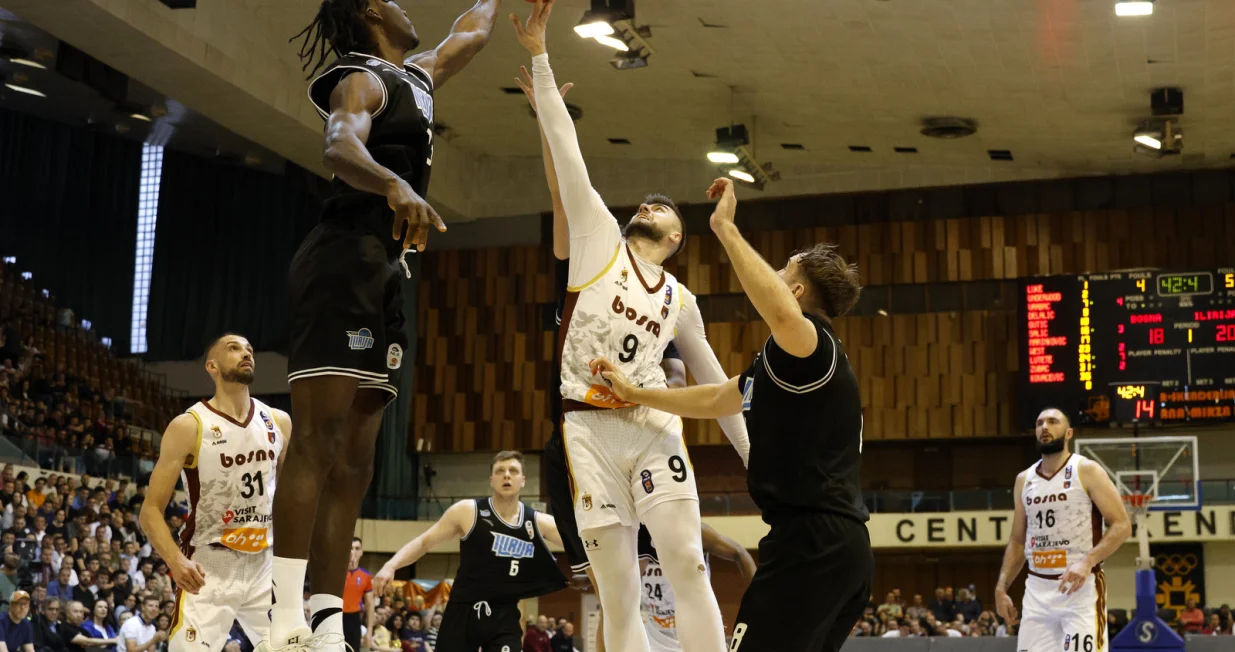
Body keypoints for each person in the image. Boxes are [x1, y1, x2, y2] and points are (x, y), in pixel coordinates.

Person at [512, 5, 747, 650]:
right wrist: (539, 52)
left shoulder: (681, 298)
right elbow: (569, 153)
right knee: (618, 595)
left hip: (648, 425)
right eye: (646, 203)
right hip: (585, 427)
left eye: (664, 210)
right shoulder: (596, 242)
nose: (650, 205)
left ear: (675, 239)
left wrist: (757, 459)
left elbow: (718, 384)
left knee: (688, 563)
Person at [275, 0, 502, 647]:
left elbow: (474, 31)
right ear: (373, 10)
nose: (411, 8)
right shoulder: (361, 77)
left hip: (385, 275)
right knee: (318, 442)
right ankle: (284, 614)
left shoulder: (420, 76)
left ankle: (324, 619)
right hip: (341, 261)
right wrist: (393, 187)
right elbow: (339, 143)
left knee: (356, 462)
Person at [589, 174, 872, 652]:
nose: (775, 274)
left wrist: (725, 227)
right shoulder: (784, 363)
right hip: (834, 548)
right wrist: (637, 393)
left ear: (798, 293)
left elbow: (781, 314)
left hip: (812, 545)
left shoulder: (813, 346)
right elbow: (717, 398)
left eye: (785, 269)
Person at [139, 334, 289, 651]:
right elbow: (150, 510)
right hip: (210, 566)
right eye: (233, 348)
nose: (246, 353)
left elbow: (288, 499)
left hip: (265, 565)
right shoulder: (189, 425)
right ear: (212, 366)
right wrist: (175, 561)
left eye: (249, 349)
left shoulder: (279, 422)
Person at [373, 451, 567, 652]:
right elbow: (424, 542)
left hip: (504, 613)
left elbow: (581, 543)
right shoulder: (468, 512)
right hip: (463, 609)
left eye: (513, 471)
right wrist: (391, 565)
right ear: (492, 480)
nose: (506, 475)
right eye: (500, 471)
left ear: (523, 480)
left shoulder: (537, 521)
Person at [993, 407, 1132, 652]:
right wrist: (1001, 587)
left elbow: (1122, 525)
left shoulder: (1086, 469)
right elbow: (1017, 541)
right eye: (1039, 423)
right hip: (1037, 590)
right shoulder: (1024, 480)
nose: (1044, 427)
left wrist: (1088, 561)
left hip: (1080, 589)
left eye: (1052, 422)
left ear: (1069, 433)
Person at [638, 524, 756, 652]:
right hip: (657, 637)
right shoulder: (637, 535)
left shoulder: (694, 531)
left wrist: (758, 599)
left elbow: (739, 552)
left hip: (697, 628)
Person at [343, 539, 375, 652]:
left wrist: (369, 631)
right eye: (351, 548)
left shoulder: (366, 576)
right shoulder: (337, 573)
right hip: (336, 617)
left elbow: (370, 605)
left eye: (357, 548)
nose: (354, 551)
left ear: (362, 552)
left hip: (354, 620)